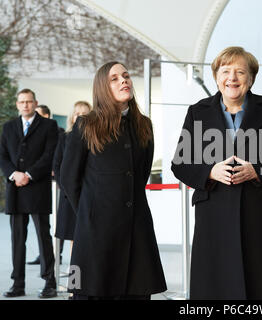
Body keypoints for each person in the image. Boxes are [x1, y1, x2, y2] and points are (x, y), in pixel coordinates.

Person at [171, 46, 262, 299]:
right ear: (216, 76)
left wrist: (257, 171)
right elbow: (180, 164)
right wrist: (209, 171)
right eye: (225, 71)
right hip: (215, 214)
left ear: (251, 78)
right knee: (216, 286)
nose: (232, 78)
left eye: (240, 72)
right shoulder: (197, 112)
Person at [60, 61, 167, 299]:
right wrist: (90, 213)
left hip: (136, 229)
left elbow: (141, 175)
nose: (124, 81)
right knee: (93, 291)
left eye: (126, 76)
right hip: (96, 232)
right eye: (115, 78)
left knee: (137, 292)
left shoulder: (144, 125)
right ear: (102, 88)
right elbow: (69, 179)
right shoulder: (86, 125)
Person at [0, 89, 59, 298]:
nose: (25, 105)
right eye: (22, 102)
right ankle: (18, 284)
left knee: (44, 237)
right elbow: (2, 156)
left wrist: (29, 174)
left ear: (35, 103)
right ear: (17, 104)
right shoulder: (8, 128)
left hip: (38, 188)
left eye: (29, 101)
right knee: (17, 239)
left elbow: (50, 154)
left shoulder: (49, 126)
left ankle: (49, 283)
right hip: (15, 189)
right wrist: (14, 174)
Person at [53, 101, 92, 263]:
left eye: (84, 113)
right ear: (71, 117)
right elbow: (58, 166)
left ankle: (89, 276)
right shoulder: (64, 138)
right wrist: (70, 189)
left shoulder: (95, 138)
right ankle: (75, 278)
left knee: (91, 238)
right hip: (70, 198)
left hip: (91, 196)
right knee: (73, 239)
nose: (80, 116)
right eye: (77, 113)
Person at [27, 104, 64, 265]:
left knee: (60, 220)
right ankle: (46, 256)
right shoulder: (33, 134)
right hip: (41, 181)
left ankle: (57, 254)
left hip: (58, 183)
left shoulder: (60, 133)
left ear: (47, 116)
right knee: (44, 224)